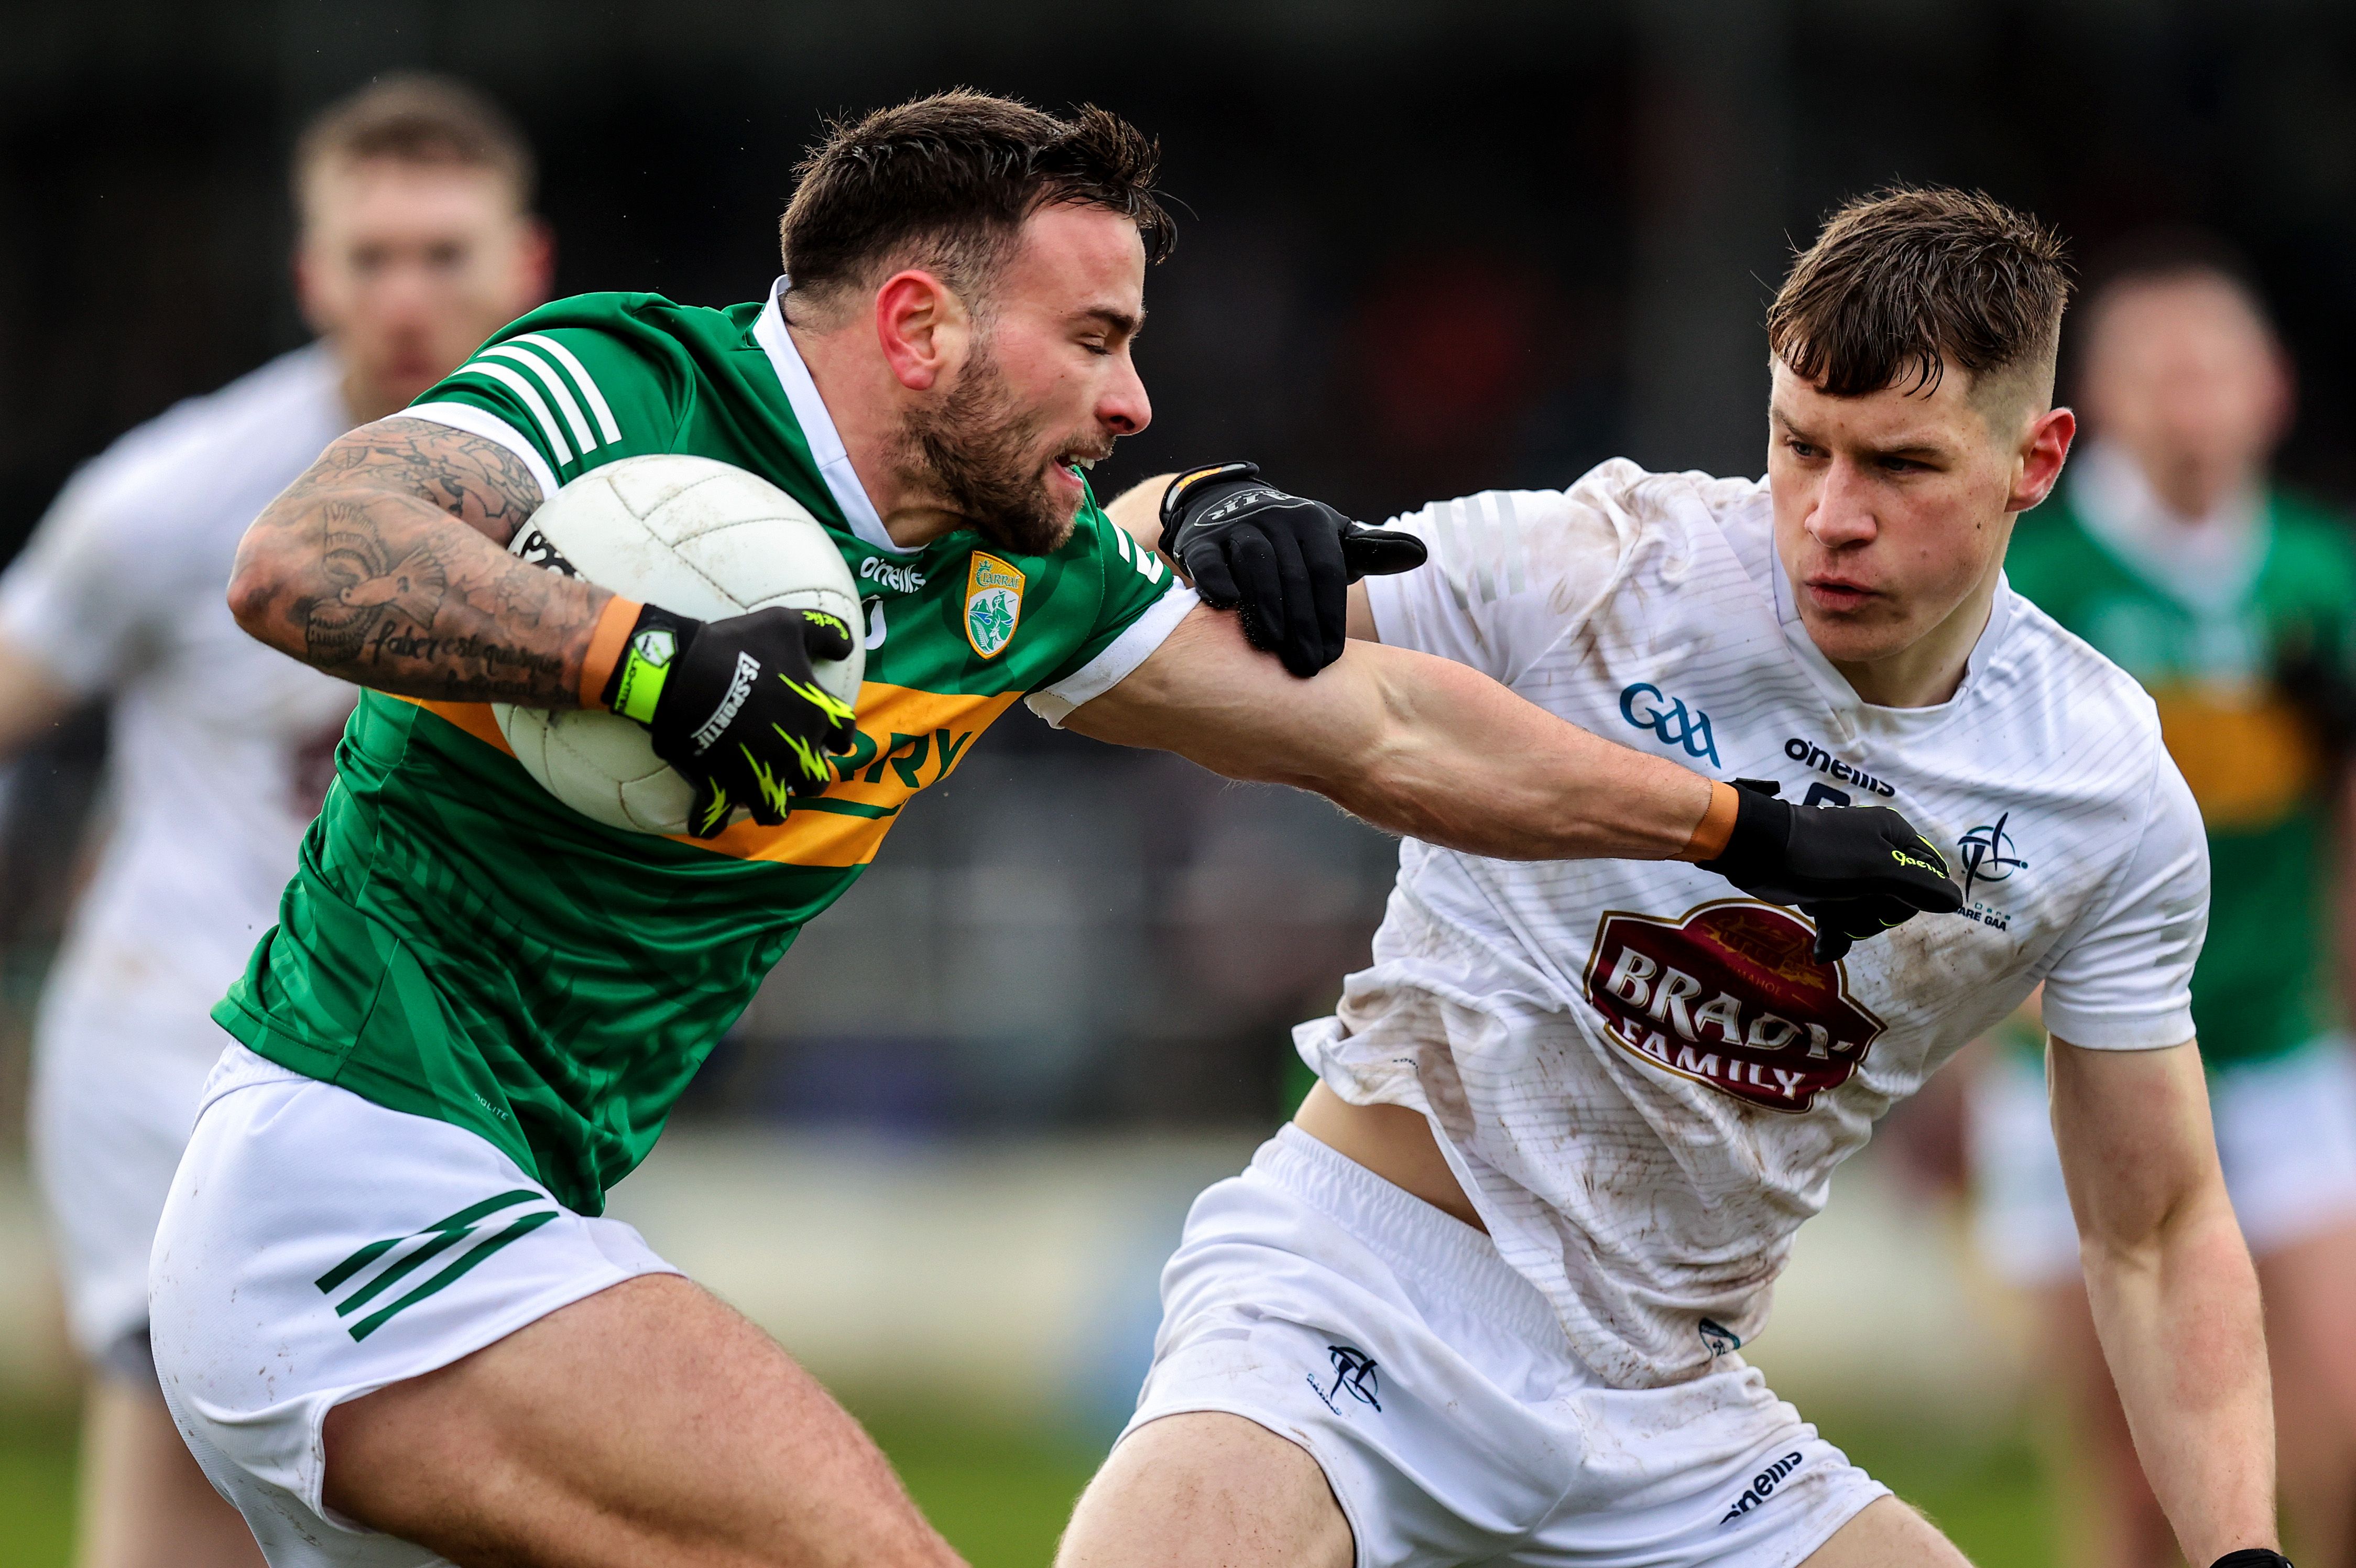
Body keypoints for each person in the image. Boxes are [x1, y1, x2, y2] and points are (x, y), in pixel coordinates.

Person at [146, 93, 1957, 1568]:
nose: (1132, 400)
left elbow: (1385, 732)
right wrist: (640, 659)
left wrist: (1733, 824)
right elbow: (302, 561)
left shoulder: (1013, 578)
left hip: (492, 1206)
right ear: (920, 325)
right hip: (349, 1180)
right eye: (1093, 340)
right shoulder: (623, 389)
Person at [1062, 187, 2287, 1568]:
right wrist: (1201, 503)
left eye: (1901, 465)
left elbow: (2161, 1227)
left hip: (1672, 1407)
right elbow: (1108, 601)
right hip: (1356, 1298)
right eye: (1799, 445)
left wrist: (2241, 1555)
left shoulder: (2104, 787)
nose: (1831, 517)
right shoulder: (1609, 567)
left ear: (2037, 459)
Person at [0, 76, 550, 1568]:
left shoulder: (625, 496)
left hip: (434, 1057)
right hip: (180, 1038)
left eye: (445, 253)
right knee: (238, 1464)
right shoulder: (178, 499)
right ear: (312, 278)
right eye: (369, 258)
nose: (407, 294)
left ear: (529, 268)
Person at [1967, 238, 2356, 1568]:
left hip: (2277, 1045)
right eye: (2161, 372)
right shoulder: (2042, 582)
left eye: (2215, 369)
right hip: (2085, 1062)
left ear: (2270, 391)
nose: (2192, 401)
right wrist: (1995, 1008)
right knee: (2135, 1480)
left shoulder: (2319, 581)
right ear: (2103, 406)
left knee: (2343, 1434)